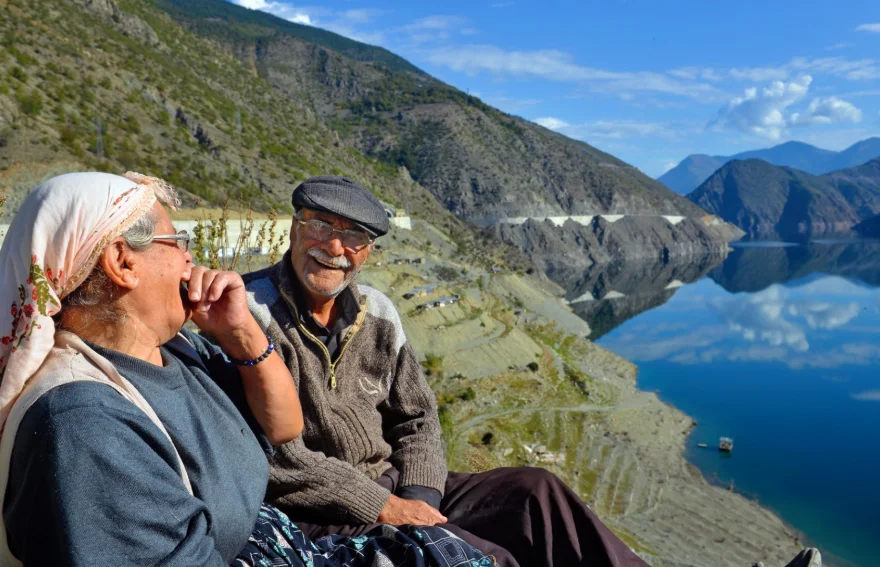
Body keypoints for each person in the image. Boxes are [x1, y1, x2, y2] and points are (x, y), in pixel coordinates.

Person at [0, 172, 494, 567]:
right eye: (178, 241)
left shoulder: (182, 351)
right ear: (122, 263)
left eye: (354, 237)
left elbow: (283, 426)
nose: (191, 256)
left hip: (274, 543)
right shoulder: (85, 425)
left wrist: (240, 334)